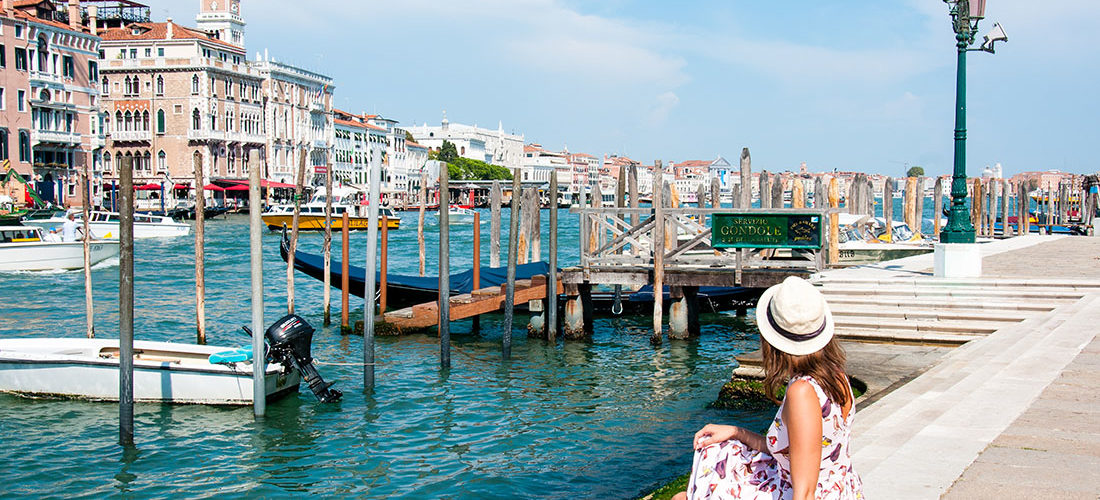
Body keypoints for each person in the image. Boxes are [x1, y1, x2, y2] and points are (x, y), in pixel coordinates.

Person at [674, 276, 863, 500]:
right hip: (840, 488)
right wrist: (737, 432)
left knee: (684, 496)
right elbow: (798, 450)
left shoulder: (802, 392)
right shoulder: (836, 375)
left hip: (805, 492)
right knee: (715, 452)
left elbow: (805, 493)